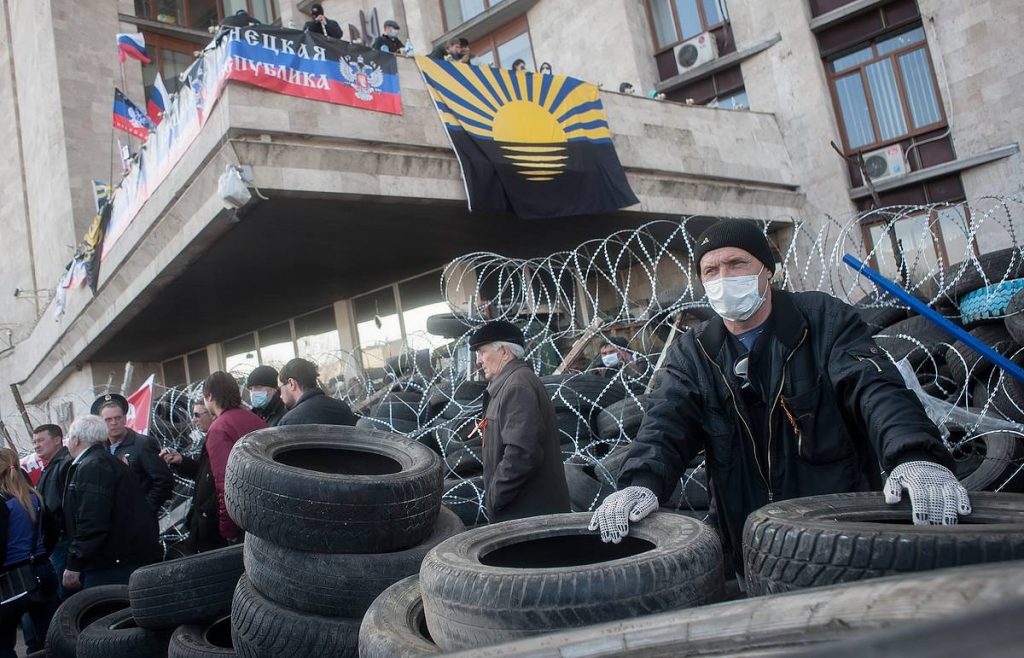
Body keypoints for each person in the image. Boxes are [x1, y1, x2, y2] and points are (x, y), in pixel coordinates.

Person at [589, 220, 970, 570]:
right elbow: (666, 421)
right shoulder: (694, 351)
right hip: (752, 542)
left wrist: (916, 456)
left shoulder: (822, 322)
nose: (724, 277)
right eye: (711, 270)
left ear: (766, 270)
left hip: (844, 532)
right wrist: (640, 482)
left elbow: (874, 388)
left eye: (736, 263)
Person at [471, 321, 570, 522]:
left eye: (482, 352)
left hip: (528, 517)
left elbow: (522, 453)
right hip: (523, 513)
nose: (478, 361)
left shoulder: (517, 386)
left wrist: (495, 497)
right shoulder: (508, 384)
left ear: (504, 352)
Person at [162, 374, 265, 552]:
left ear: (209, 396)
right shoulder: (256, 420)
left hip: (234, 523)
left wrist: (227, 529)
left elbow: (225, 482)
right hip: (259, 512)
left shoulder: (219, 428)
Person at [61, 416, 160, 590]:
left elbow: (92, 518)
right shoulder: (105, 461)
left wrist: (75, 562)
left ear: (76, 440)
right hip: (120, 558)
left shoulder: (94, 466)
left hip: (111, 563)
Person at [0, 448, 57, 658]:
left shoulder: (3, 502)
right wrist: (40, 554)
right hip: (42, 570)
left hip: (11, 581)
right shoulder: (34, 497)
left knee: (3, 646)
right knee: (52, 639)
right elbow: (53, 531)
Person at [92, 393, 173, 516]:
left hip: (138, 520)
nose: (114, 423)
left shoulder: (142, 444)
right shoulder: (100, 449)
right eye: (108, 419)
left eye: (118, 418)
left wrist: (144, 511)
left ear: (125, 419)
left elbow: (163, 481)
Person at [34, 433, 71, 600]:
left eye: (41, 440)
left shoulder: (65, 464)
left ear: (57, 440)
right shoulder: (50, 467)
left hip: (62, 540)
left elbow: (56, 506)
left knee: (63, 595)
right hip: (56, 540)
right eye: (34, 441)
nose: (36, 445)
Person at [277, 358, 357, 426]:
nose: (280, 395)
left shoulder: (289, 422)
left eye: (280, 388)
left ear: (291, 383)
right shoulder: (342, 408)